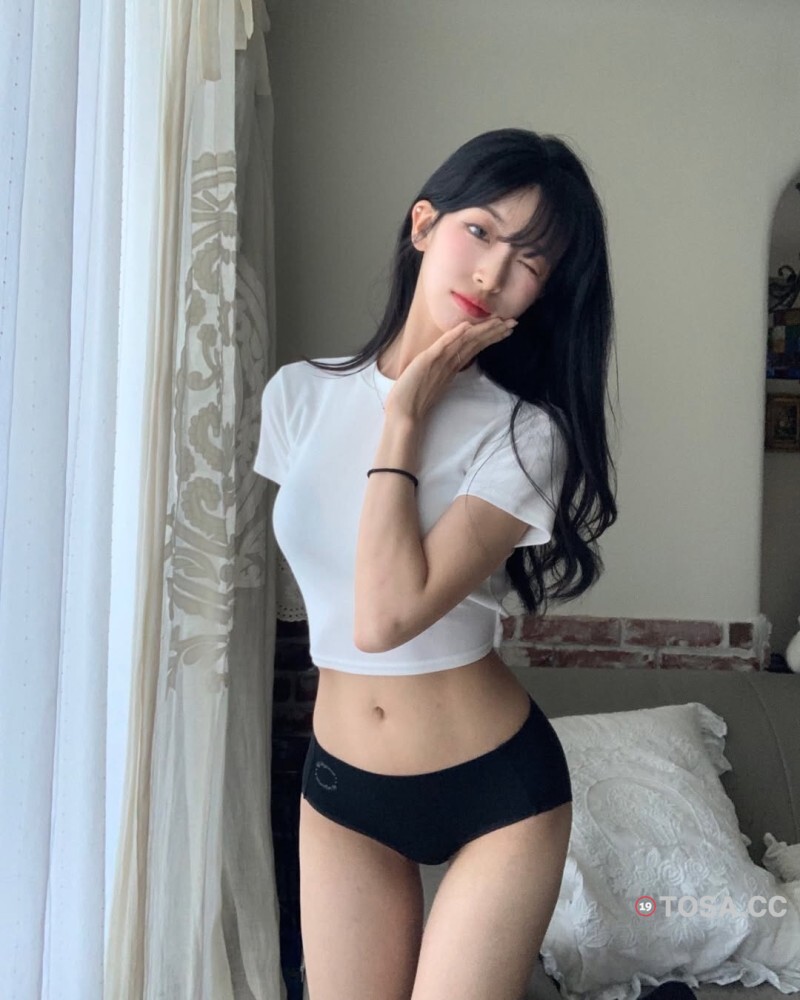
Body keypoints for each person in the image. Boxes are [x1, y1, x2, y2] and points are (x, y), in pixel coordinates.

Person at [253, 127, 618, 1000]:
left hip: (497, 792)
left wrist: (406, 419)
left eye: (529, 262)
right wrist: (396, 403)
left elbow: (385, 616)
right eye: (480, 231)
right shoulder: (298, 395)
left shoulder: (527, 434)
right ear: (424, 224)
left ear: (541, 295)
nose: (491, 272)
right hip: (341, 788)